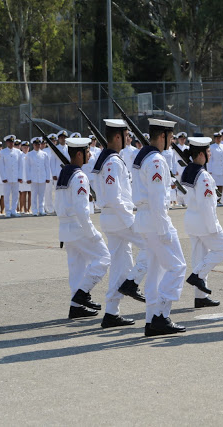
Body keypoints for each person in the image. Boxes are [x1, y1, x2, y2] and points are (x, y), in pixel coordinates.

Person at [132, 118, 187, 336]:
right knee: (177, 266)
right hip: (156, 221)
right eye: (171, 137)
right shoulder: (156, 160)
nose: (172, 141)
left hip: (147, 220)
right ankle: (161, 316)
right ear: (162, 136)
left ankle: (150, 319)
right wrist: (164, 230)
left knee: (156, 271)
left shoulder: (145, 156)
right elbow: (156, 199)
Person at [92, 119, 148, 329]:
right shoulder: (112, 161)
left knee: (120, 266)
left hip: (110, 218)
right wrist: (131, 221)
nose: (128, 139)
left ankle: (111, 312)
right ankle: (133, 283)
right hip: (119, 218)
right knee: (152, 245)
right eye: (126, 135)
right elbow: (115, 197)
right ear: (117, 137)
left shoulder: (106, 158)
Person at [55, 137, 110, 319]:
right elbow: (81, 208)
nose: (90, 154)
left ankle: (75, 305)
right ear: (79, 154)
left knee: (77, 267)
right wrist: (91, 232)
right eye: (87, 151)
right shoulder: (79, 176)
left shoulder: (65, 173)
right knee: (103, 257)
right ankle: (83, 293)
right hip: (78, 227)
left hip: (66, 228)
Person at [180, 136, 223, 308]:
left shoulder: (188, 171)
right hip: (203, 222)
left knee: (199, 256)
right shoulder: (203, 176)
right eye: (208, 151)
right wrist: (213, 228)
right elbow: (207, 205)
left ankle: (200, 297)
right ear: (201, 154)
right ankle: (197, 275)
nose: (210, 154)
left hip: (191, 220)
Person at [25, 137, 51, 216]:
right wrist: (28, 178)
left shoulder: (44, 154)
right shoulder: (29, 154)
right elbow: (27, 167)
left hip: (42, 177)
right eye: (36, 144)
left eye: (39, 144)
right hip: (33, 178)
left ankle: (41, 209)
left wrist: (48, 177)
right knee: (34, 195)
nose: (37, 145)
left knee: (42, 195)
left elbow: (47, 166)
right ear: (33, 145)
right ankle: (34, 211)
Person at [0, 135, 24, 217]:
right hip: (7, 177)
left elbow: (20, 165)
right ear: (7, 142)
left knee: (15, 195)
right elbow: (1, 166)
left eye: (12, 142)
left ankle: (14, 210)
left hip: (16, 177)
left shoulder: (18, 152)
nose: (11, 143)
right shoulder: (2, 152)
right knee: (6, 195)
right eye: (10, 141)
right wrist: (3, 177)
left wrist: (20, 176)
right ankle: (7, 211)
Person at [208, 130, 223, 203]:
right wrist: (209, 170)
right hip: (214, 169)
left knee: (221, 185)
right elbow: (210, 159)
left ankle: (219, 200)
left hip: (222, 169)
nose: (218, 139)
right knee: (215, 185)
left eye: (220, 138)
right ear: (214, 139)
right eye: (217, 138)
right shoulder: (212, 147)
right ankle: (215, 200)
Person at [19, 141, 32, 214]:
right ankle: (24, 208)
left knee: (30, 194)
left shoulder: (31, 155)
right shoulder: (20, 156)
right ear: (21, 148)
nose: (26, 148)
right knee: (23, 193)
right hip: (23, 178)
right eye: (24, 147)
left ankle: (29, 209)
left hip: (30, 178)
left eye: (27, 147)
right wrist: (19, 177)